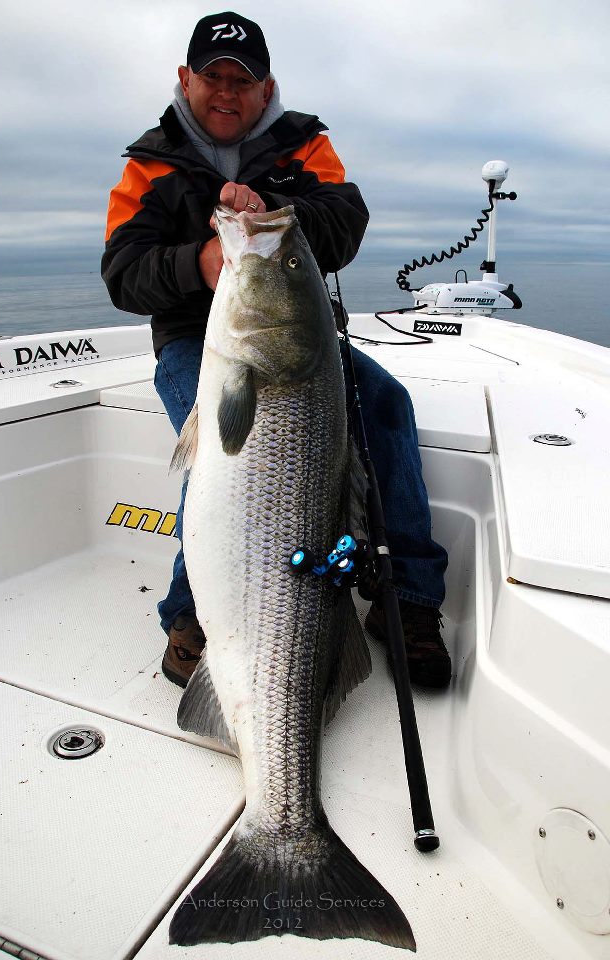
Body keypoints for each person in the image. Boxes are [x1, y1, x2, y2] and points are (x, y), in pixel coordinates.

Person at [102, 11, 450, 690]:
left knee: (386, 402)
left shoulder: (303, 145)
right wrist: (198, 264)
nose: (227, 92)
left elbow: (345, 219)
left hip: (294, 338)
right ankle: (192, 612)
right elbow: (123, 273)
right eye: (213, 77)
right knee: (218, 454)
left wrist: (276, 215)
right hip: (195, 342)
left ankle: (406, 596)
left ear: (267, 89)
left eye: (243, 79)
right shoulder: (149, 163)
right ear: (186, 79)